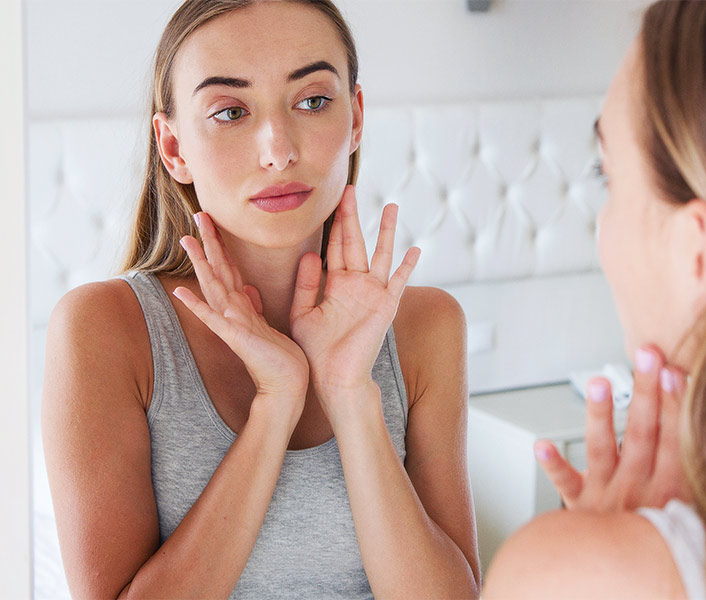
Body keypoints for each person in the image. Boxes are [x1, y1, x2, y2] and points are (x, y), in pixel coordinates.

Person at [41, 1, 480, 597]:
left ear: (355, 118)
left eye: (312, 101)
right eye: (229, 111)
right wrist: (275, 403)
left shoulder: (427, 326)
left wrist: (351, 394)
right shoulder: (104, 330)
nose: (278, 149)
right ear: (174, 148)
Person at [483, 1, 706, 598]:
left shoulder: (576, 574)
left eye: (608, 176)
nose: (602, 227)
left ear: (697, 254)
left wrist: (600, 549)